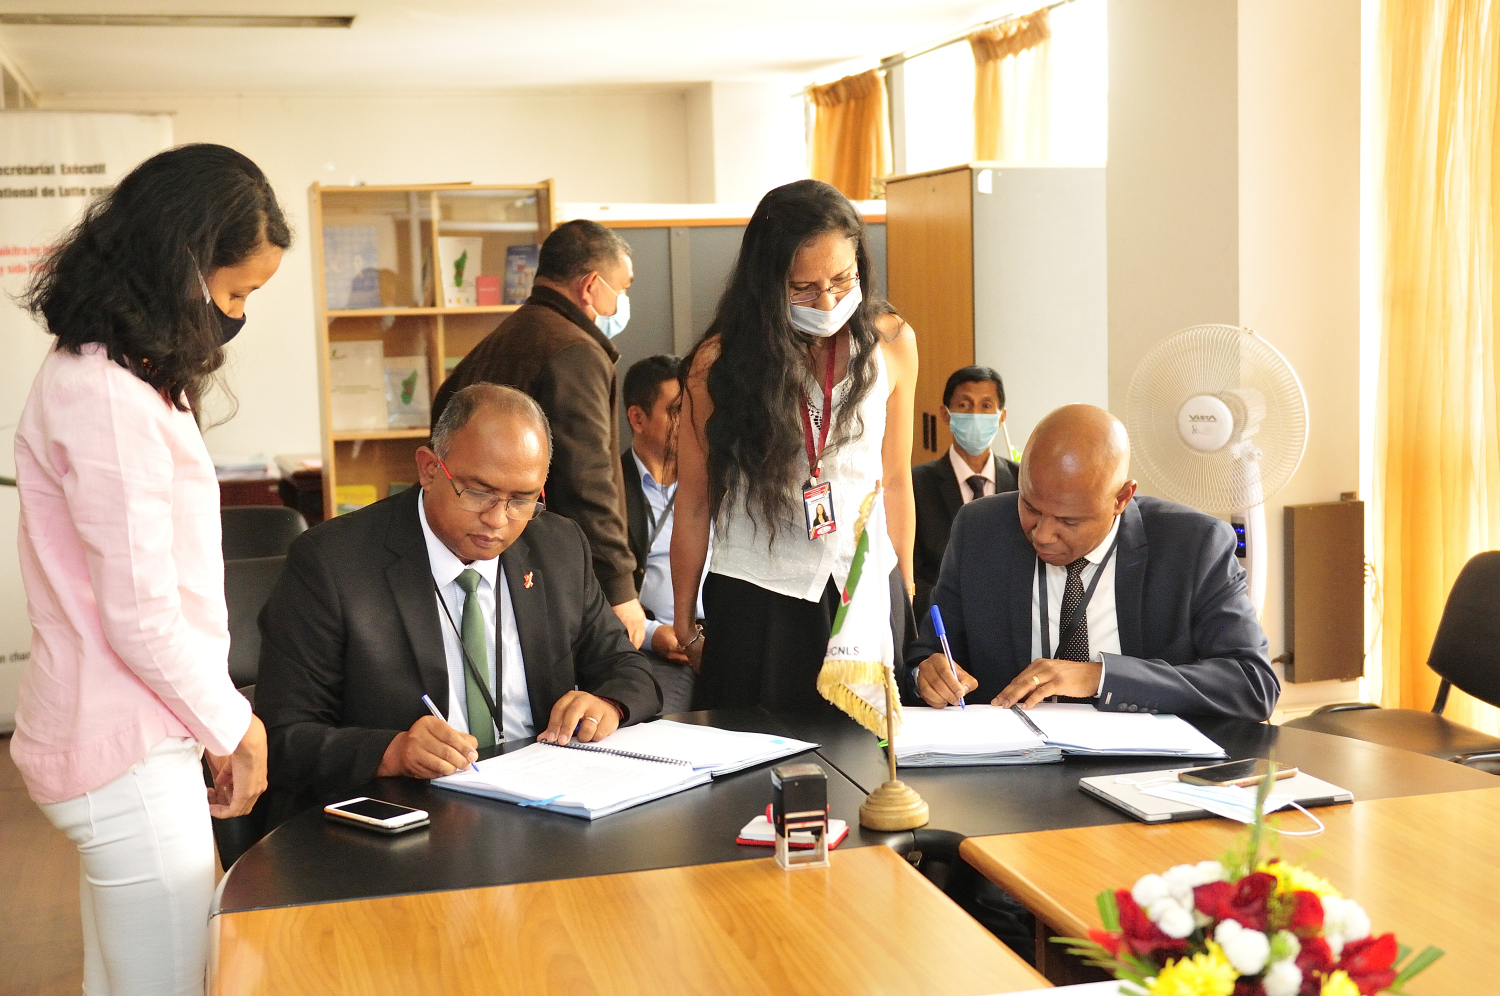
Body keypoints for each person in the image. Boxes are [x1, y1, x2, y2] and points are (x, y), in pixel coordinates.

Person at [12, 144, 285, 994]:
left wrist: (209, 724)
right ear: (181, 265)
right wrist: (236, 726)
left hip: (133, 732)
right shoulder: (106, 393)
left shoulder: (115, 374)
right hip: (126, 751)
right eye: (235, 294)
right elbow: (140, 616)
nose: (236, 316)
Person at [256, 384, 660, 818]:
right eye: (479, 492)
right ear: (430, 469)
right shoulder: (332, 562)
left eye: (522, 499)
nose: (498, 519)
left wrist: (608, 704)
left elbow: (628, 668)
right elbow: (284, 737)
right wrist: (391, 752)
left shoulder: (557, 545)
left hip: (545, 802)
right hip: (411, 812)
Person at [671, 179, 919, 712]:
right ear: (766, 285)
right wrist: (685, 623)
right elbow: (692, 501)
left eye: (842, 279)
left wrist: (905, 590)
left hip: (861, 582)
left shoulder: (892, 341)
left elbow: (897, 478)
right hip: (760, 593)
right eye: (802, 289)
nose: (827, 301)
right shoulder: (719, 364)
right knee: (759, 751)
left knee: (868, 747)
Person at [908, 403, 1279, 720]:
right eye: (1030, 507)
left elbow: (1253, 683)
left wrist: (1101, 676)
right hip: (1013, 764)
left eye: (1069, 521)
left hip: (1144, 767)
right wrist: (926, 674)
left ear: (1122, 499)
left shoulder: (1193, 546)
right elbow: (927, 652)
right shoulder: (980, 530)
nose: (1043, 534)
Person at [430, 220, 647, 648]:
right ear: (591, 286)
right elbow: (588, 480)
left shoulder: (501, 338)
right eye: (621, 289)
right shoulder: (575, 352)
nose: (621, 302)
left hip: (467, 558)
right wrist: (618, 586)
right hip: (544, 569)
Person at [620, 354, 705, 714]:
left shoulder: (716, 482)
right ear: (637, 418)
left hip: (723, 641)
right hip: (655, 648)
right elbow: (591, 592)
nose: (689, 421)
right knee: (661, 720)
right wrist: (654, 635)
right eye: (676, 411)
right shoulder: (608, 493)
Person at [912, 365, 1019, 618]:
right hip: (940, 624)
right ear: (946, 414)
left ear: (1001, 416)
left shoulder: (1022, 482)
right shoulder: (916, 484)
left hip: (1012, 621)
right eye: (964, 405)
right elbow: (911, 573)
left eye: (986, 406)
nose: (975, 414)